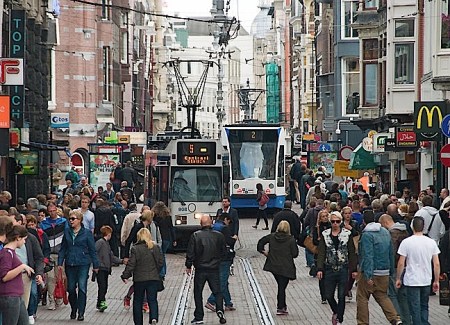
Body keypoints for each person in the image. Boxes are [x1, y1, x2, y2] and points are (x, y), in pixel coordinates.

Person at [356, 211, 402, 325]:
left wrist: (367, 275)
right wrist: (391, 270)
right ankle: (395, 319)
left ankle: (363, 322)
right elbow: (391, 252)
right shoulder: (385, 232)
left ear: (363, 221)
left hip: (372, 271)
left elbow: (368, 255)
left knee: (362, 298)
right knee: (382, 296)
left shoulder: (367, 235)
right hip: (384, 272)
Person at [396, 216, 441, 325]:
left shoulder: (406, 242)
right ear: (424, 227)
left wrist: (398, 278)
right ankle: (424, 322)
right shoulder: (431, 242)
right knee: (424, 306)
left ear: (412, 226)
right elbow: (436, 263)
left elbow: (401, 262)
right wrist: (436, 280)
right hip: (426, 279)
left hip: (411, 280)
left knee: (414, 308)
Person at [58, 210, 99, 321]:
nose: (70, 221)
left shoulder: (86, 233)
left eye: (73, 219)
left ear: (80, 220)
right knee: (71, 288)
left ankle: (81, 312)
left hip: (83, 263)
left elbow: (92, 249)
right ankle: (73, 308)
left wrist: (96, 264)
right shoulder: (67, 232)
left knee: (82, 287)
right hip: (70, 263)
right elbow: (63, 248)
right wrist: (60, 263)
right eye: (69, 219)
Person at [316, 211, 357, 325]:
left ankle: (339, 318)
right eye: (333, 221)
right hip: (329, 268)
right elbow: (321, 253)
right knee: (328, 295)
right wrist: (320, 269)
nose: (335, 224)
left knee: (341, 295)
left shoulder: (347, 234)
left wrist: (354, 270)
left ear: (341, 222)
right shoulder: (325, 234)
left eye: (337, 221)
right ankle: (336, 311)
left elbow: (352, 253)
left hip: (343, 268)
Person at [185, 214, 227, 324]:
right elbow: (224, 252)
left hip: (200, 269)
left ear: (200, 224)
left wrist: (188, 265)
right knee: (217, 291)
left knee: (198, 292)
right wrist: (218, 261)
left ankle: (199, 316)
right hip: (214, 268)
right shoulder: (219, 236)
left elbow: (191, 252)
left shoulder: (195, 236)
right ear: (211, 222)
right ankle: (219, 309)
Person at [121, 228, 162, 325]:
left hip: (139, 279)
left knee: (138, 301)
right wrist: (156, 272)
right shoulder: (155, 247)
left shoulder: (135, 248)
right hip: (153, 278)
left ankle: (138, 322)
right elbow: (160, 262)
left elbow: (131, 264)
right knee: (152, 299)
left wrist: (125, 275)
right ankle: (154, 317)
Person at [257, 220, 298, 316]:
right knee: (282, 287)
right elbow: (295, 254)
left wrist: (263, 252)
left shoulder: (272, 236)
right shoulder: (291, 239)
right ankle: (281, 307)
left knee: (281, 286)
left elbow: (261, 242)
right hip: (286, 267)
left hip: (274, 266)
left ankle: (282, 306)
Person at [379, 214, 411, 325]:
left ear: (385, 223)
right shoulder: (405, 231)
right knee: (403, 296)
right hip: (406, 267)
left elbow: (391, 253)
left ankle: (398, 319)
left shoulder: (391, 234)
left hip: (395, 267)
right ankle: (407, 320)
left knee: (392, 294)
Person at [0, 225, 34, 325]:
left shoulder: (11, 252)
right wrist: (22, 267)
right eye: (24, 239)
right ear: (18, 237)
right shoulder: (6, 253)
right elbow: (4, 276)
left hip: (16, 295)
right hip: (9, 296)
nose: (24, 242)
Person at [205, 213, 236, 312]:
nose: (228, 224)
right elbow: (229, 242)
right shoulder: (224, 228)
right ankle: (211, 300)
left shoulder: (212, 227)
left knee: (224, 281)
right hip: (224, 258)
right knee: (222, 281)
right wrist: (234, 238)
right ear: (226, 219)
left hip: (214, 257)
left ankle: (228, 303)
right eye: (229, 222)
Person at [40, 202, 69, 311]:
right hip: (49, 254)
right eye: (50, 211)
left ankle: (59, 298)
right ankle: (51, 300)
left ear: (57, 210)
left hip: (61, 254)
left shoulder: (63, 222)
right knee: (51, 278)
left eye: (54, 210)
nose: (52, 213)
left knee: (60, 278)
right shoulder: (44, 224)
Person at [95, 225, 122, 312]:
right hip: (101, 268)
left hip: (105, 268)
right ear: (108, 233)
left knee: (104, 286)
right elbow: (94, 252)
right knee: (102, 286)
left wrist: (121, 261)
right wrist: (97, 264)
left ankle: (100, 302)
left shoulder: (106, 243)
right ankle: (101, 302)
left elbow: (111, 256)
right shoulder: (101, 242)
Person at [152, 202, 176, 279]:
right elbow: (171, 228)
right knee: (162, 255)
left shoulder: (155, 216)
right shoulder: (168, 217)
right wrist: (174, 239)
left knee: (158, 256)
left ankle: (160, 273)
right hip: (166, 238)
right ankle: (163, 273)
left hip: (158, 238)